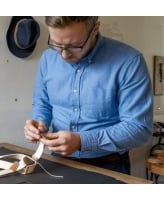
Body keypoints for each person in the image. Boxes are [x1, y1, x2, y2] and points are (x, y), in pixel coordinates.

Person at [24, 16, 153, 175]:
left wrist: (82, 141)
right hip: (57, 162)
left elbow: (139, 128)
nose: (64, 55)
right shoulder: (47, 58)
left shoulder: (129, 62)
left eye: (74, 46)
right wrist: (38, 122)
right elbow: (42, 103)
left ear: (95, 29)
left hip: (108, 166)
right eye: (57, 44)